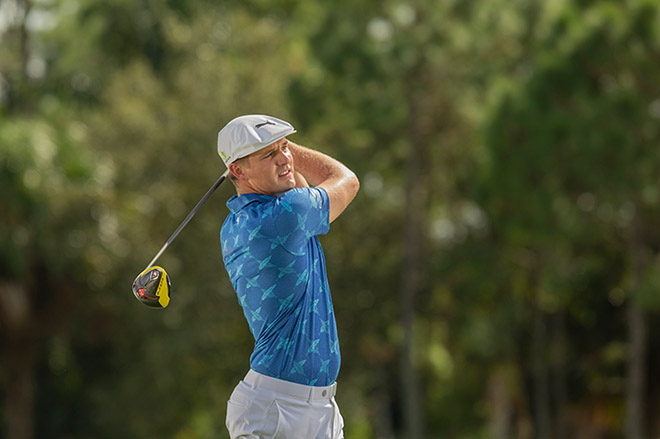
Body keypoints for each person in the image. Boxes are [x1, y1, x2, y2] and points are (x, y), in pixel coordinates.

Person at [217, 114, 359, 439]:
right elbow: (345, 179)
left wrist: (276, 153)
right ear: (237, 170)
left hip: (319, 410)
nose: (285, 158)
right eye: (269, 154)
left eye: (284, 147)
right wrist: (292, 148)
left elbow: (300, 188)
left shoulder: (236, 224)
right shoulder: (285, 216)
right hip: (275, 411)